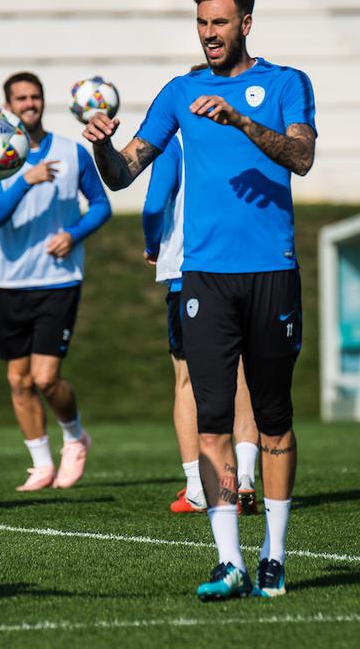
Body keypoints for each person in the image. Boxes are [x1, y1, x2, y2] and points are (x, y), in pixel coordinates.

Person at [84, 0, 316, 599]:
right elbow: (124, 172)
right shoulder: (179, 92)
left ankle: (274, 554)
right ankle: (228, 562)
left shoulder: (288, 83)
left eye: (219, 22)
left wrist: (242, 120)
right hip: (204, 278)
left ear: (245, 23)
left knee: (274, 421)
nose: (209, 34)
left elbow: (301, 156)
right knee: (212, 420)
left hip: (272, 270)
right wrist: (105, 148)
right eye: (201, 24)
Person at [0, 72, 112, 491]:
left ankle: (75, 438)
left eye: (35, 96)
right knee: (17, 379)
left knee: (44, 378)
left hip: (59, 280)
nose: (30, 104)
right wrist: (25, 179)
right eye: (21, 98)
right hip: (11, 280)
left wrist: (73, 234)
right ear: (8, 106)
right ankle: (41, 464)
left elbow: (102, 206)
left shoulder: (74, 153)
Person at [141, 128, 260, 515]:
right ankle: (244, 478)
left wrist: (150, 243)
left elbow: (155, 202)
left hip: (188, 270)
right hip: (244, 266)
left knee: (187, 377)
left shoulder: (175, 141)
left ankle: (196, 486)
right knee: (241, 373)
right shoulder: (244, 133)